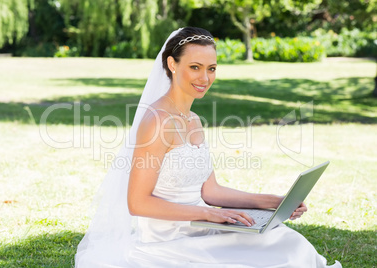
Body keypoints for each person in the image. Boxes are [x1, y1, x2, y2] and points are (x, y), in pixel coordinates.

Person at [75, 27, 342, 268]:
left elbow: (210, 190)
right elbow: (137, 202)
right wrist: (211, 214)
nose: (205, 77)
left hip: (203, 228)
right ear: (172, 64)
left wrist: (273, 202)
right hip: (169, 242)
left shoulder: (193, 121)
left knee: (287, 243)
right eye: (195, 67)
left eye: (211, 68)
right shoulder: (157, 122)